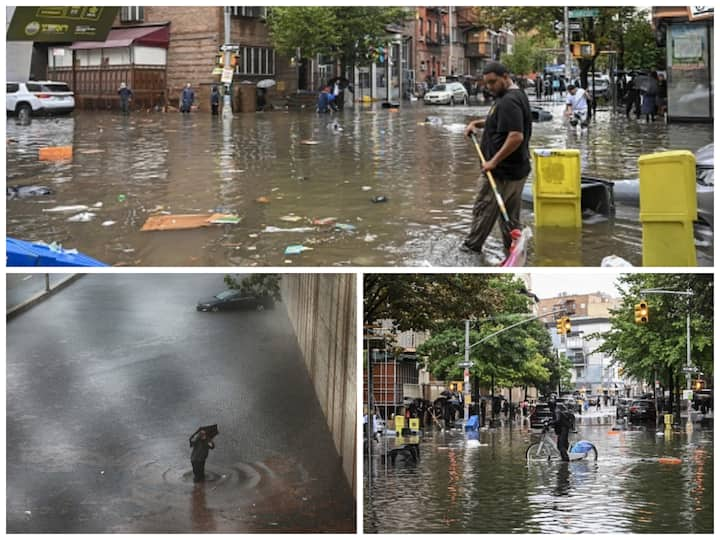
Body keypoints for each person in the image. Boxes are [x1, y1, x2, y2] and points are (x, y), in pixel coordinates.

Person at [462, 62, 532, 256]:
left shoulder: (509, 100)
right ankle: (514, 250)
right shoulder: (513, 96)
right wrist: (477, 123)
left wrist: (493, 161)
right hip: (516, 170)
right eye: (487, 83)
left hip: (501, 173)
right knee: (509, 216)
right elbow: (500, 121)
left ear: (505, 76)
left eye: (493, 82)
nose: (489, 87)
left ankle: (470, 249)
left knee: (483, 210)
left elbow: (516, 136)